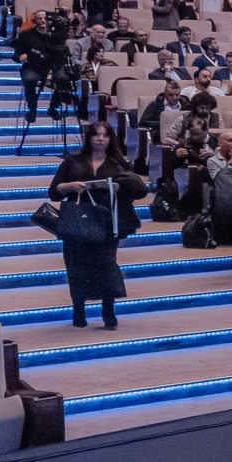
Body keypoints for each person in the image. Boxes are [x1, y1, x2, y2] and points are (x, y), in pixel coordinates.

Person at [49, 121, 144, 331]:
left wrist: (119, 187)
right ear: (89, 137)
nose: (100, 139)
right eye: (96, 134)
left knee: (107, 265)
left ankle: (108, 311)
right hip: (78, 220)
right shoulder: (73, 162)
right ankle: (79, 310)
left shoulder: (118, 164)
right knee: (76, 267)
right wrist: (70, 186)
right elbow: (54, 192)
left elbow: (137, 191)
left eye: (105, 135)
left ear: (110, 139)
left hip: (106, 222)